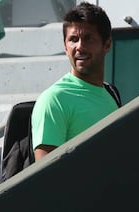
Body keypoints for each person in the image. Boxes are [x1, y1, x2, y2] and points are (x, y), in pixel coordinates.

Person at [31, 2, 119, 161]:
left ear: (107, 44)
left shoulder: (111, 95)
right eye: (73, 39)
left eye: (88, 38)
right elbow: (44, 178)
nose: (80, 47)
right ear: (65, 46)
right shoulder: (54, 99)